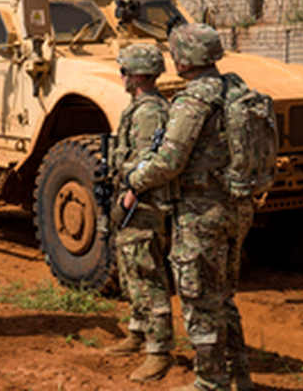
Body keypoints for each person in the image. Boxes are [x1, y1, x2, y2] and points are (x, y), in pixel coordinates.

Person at [122, 23, 254, 391]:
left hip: (202, 212)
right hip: (237, 205)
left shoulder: (195, 99)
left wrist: (134, 180)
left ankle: (210, 383)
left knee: (199, 298)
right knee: (223, 295)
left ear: (184, 59)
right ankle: (239, 377)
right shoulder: (236, 89)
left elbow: (169, 161)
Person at [103, 42, 176, 382]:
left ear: (137, 75)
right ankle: (137, 331)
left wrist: (129, 196)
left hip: (144, 204)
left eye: (124, 71)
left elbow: (149, 163)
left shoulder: (149, 112)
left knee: (148, 275)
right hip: (133, 200)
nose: (122, 77)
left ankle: (158, 350)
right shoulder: (140, 107)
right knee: (131, 268)